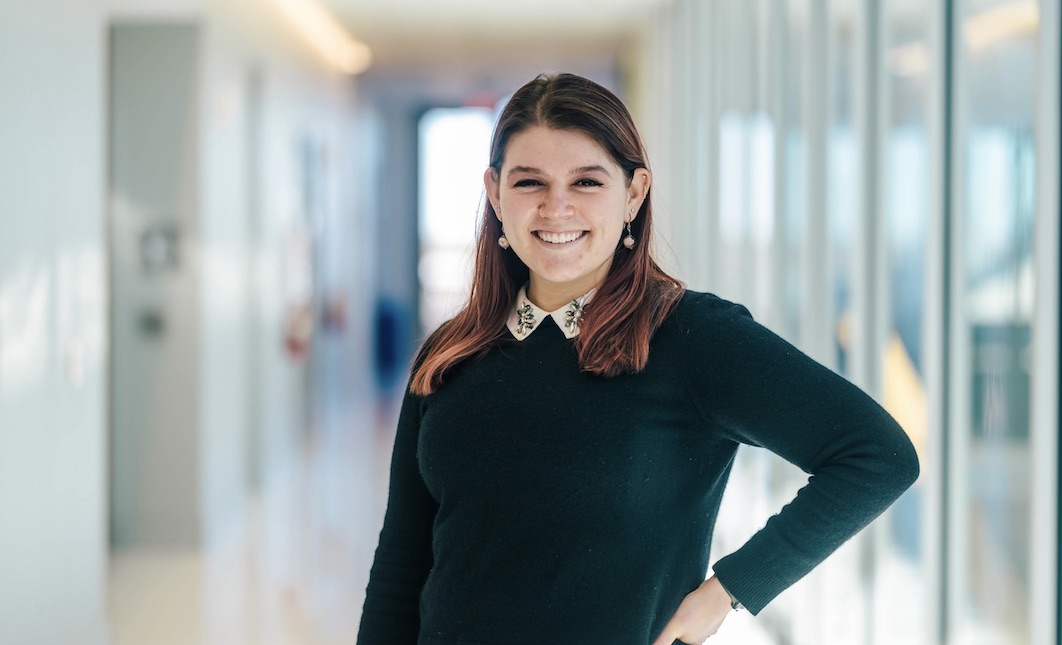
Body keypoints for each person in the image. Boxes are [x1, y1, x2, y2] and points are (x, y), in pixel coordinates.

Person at [356, 72, 919, 645]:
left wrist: (727, 591)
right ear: (496, 193)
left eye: (586, 182)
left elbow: (877, 457)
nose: (557, 207)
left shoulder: (693, 338)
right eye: (530, 182)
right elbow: (401, 566)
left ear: (633, 193)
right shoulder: (450, 354)